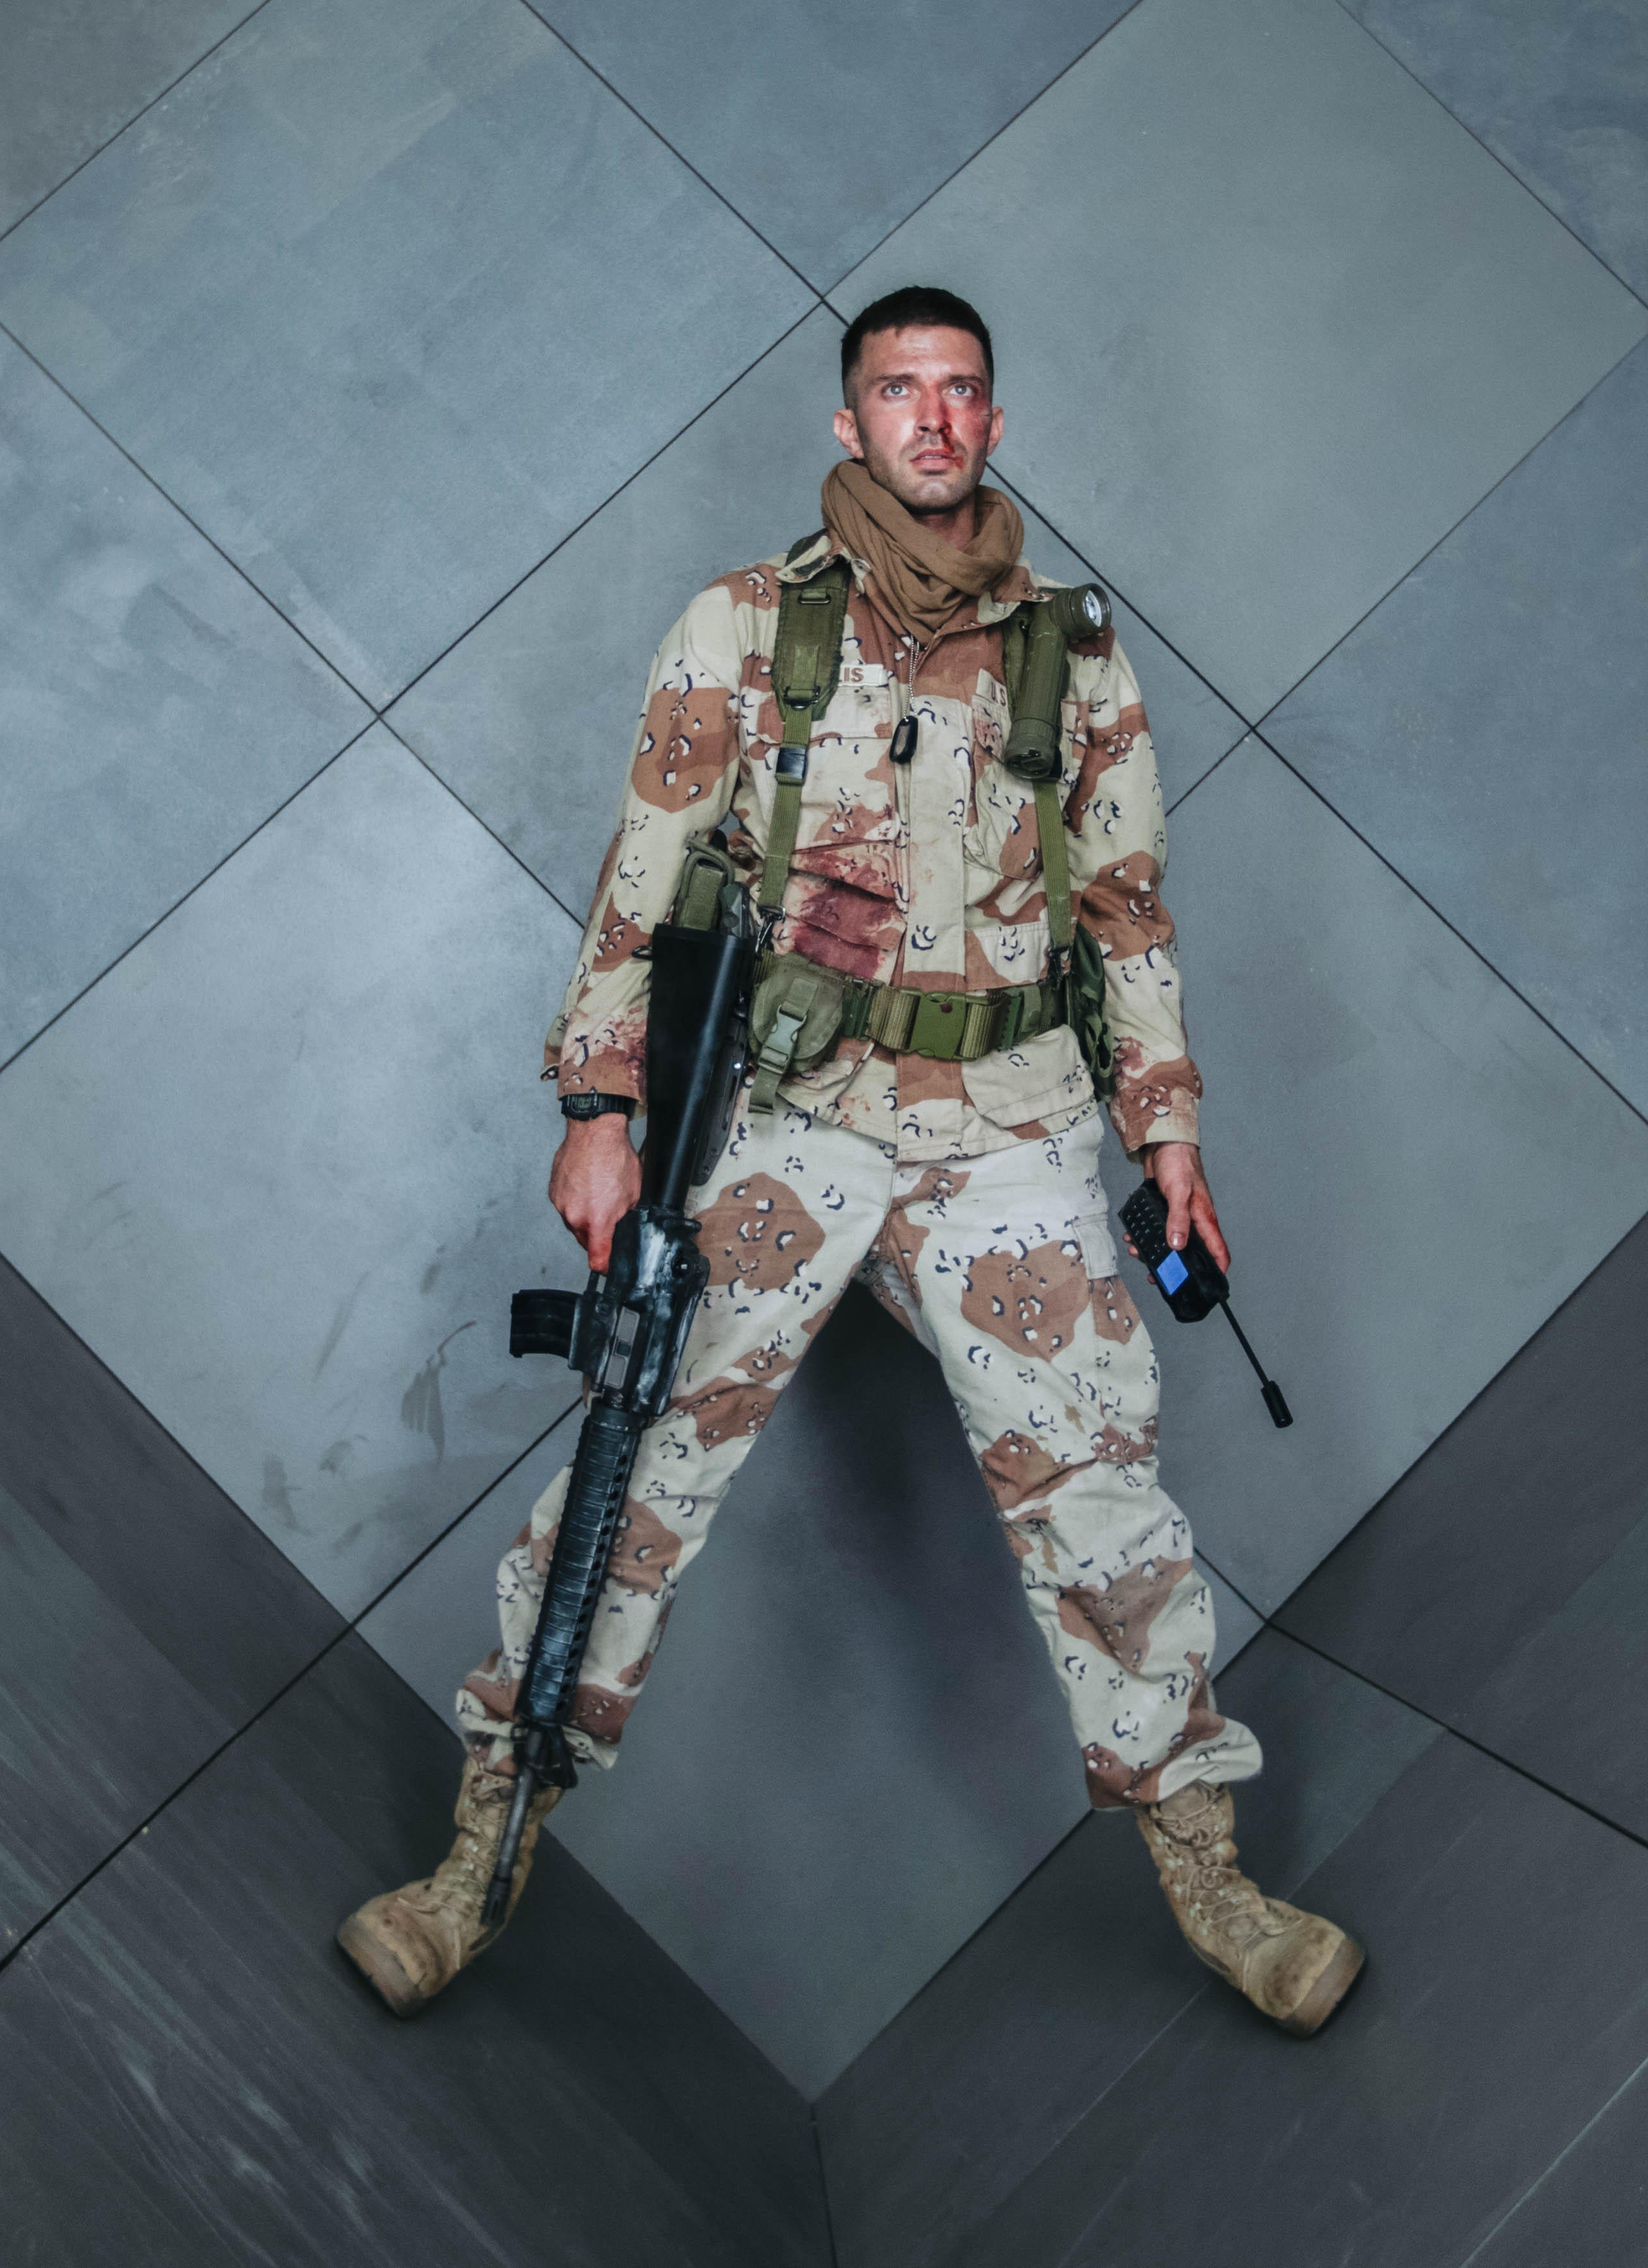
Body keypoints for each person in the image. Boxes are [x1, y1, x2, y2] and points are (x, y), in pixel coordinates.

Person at [339, 287, 1361, 2038]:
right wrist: (599, 1108)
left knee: (1105, 1496)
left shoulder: (1076, 653)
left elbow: (1127, 913)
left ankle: (1213, 1873)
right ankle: (480, 1852)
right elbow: (644, 873)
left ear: (997, 420)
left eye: (963, 391)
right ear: (849, 421)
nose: (936, 421)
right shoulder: (746, 631)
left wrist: (1167, 1133)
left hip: (1011, 1133)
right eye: (901, 391)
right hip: (793, 1124)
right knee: (636, 1456)